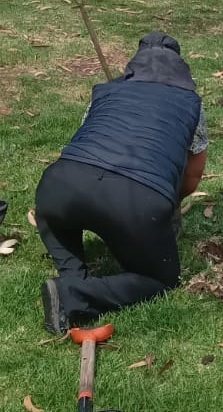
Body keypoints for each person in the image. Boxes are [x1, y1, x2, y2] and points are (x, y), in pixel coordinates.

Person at [35, 32, 209, 334]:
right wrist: (165, 207)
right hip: (134, 200)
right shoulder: (189, 103)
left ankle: (72, 278)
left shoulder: (107, 91)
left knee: (55, 218)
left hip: (59, 185)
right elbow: (193, 176)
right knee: (162, 280)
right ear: (182, 69)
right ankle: (72, 294)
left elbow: (86, 136)